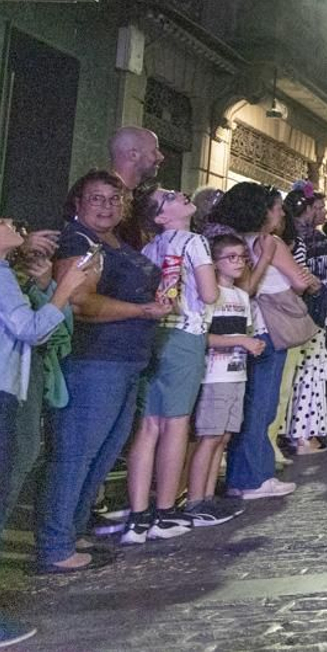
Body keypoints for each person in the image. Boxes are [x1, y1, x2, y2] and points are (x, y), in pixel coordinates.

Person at [37, 172, 172, 573]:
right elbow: (80, 302)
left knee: (102, 455)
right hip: (93, 361)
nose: (107, 206)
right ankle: (54, 544)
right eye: (96, 198)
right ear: (78, 202)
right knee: (75, 455)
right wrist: (142, 310)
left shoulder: (113, 241)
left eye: (115, 199)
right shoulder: (79, 242)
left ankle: (73, 531)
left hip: (127, 360)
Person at [0, 218, 98, 596]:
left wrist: (46, 286)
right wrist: (65, 289)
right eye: (1, 220)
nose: (10, 222)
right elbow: (30, 329)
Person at [123, 188, 219, 544]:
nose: (181, 194)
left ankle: (138, 515)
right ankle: (164, 511)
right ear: (162, 216)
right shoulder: (194, 241)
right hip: (186, 334)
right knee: (176, 424)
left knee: (148, 426)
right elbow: (209, 294)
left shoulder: (149, 247)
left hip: (153, 334)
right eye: (171, 197)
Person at [210, 182, 312, 502]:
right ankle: (254, 477)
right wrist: (273, 263)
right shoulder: (268, 243)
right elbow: (299, 282)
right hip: (265, 330)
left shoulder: (229, 241)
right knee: (262, 406)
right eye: (277, 208)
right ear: (262, 212)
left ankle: (243, 475)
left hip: (241, 328)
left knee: (248, 405)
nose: (282, 214)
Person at [184, 233, 261, 526]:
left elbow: (243, 332)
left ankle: (208, 495)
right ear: (215, 263)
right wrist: (240, 341)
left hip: (236, 373)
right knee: (210, 436)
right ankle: (195, 500)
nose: (239, 262)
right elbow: (202, 337)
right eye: (231, 257)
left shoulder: (241, 296)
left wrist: (249, 343)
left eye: (242, 257)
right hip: (213, 376)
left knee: (224, 436)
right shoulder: (210, 294)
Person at [283, 183, 327, 457]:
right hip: (308, 314)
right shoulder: (310, 240)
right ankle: (303, 435)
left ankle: (299, 433)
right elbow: (311, 280)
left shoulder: (299, 237)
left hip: (300, 312)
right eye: (319, 208)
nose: (324, 213)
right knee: (309, 375)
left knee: (301, 376)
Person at [108, 126, 164, 195]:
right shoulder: (105, 196)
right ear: (133, 155)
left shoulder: (138, 197)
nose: (161, 157)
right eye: (154, 151)